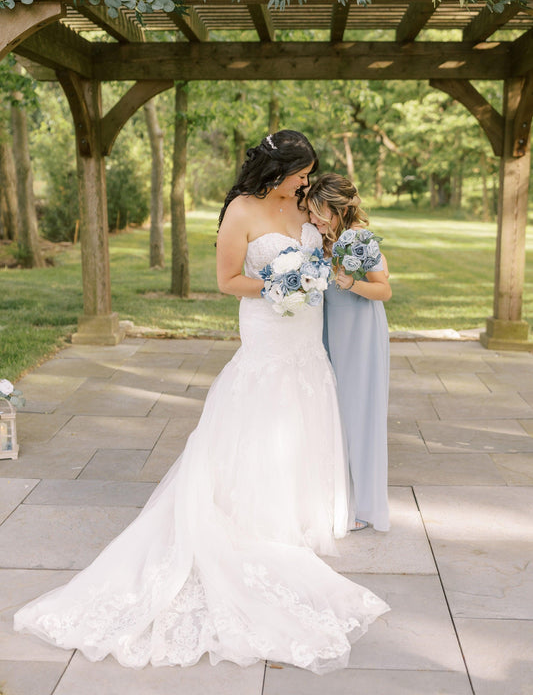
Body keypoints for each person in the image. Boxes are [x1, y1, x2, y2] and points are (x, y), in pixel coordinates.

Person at [14, 131, 388, 674]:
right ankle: (248, 515)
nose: (306, 180)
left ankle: (298, 512)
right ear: (278, 170)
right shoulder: (242, 209)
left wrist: (332, 274)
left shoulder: (304, 204)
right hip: (268, 327)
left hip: (307, 338)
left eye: (309, 173)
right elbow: (228, 280)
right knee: (258, 411)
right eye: (300, 172)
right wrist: (281, 284)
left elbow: (340, 244)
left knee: (304, 409)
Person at [307, 173, 392, 533]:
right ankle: (337, 494)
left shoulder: (359, 239)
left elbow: (384, 290)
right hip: (330, 330)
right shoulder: (323, 239)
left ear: (335, 209)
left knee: (358, 414)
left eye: (316, 211)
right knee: (335, 412)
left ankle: (362, 505)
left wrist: (351, 282)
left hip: (360, 333)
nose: (312, 218)